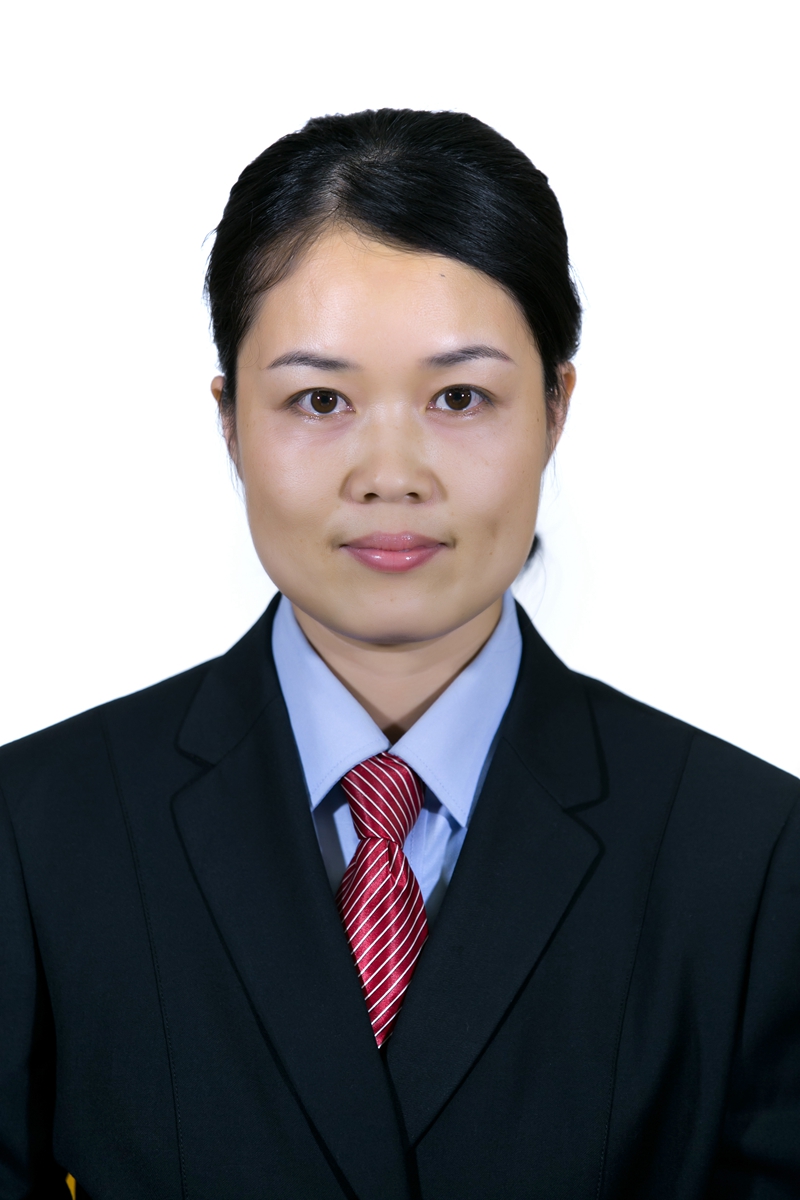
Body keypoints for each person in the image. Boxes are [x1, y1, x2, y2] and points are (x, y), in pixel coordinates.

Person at [1, 108, 798, 1200]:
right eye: (318, 399)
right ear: (230, 421)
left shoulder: (751, 857)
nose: (390, 473)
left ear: (555, 409)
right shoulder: (36, 835)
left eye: (459, 397)